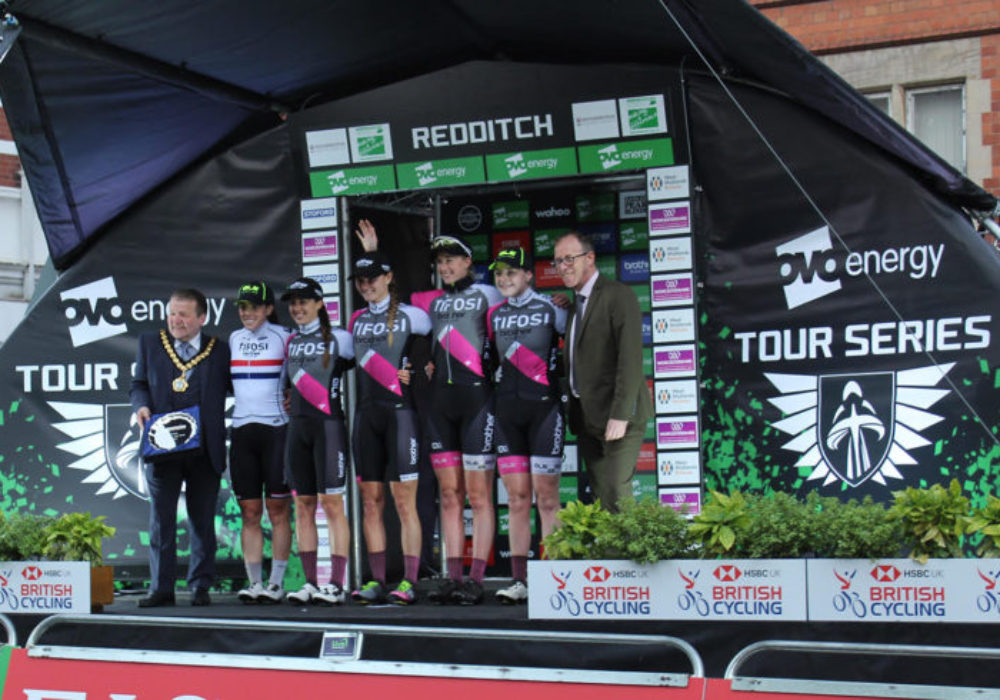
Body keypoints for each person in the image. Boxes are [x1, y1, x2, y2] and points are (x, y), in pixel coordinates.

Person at [407, 234, 503, 605]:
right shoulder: (430, 302)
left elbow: (526, 305)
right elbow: (389, 301)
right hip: (441, 404)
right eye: (440, 262)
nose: (445, 267)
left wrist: (559, 300)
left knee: (478, 496)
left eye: (452, 260)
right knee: (449, 495)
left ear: (468, 263)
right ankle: (452, 577)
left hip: (477, 399)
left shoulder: (489, 294)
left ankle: (476, 580)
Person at [130, 288, 231, 607]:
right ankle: (161, 588)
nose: (176, 320)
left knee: (203, 520)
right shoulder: (150, 343)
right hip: (163, 448)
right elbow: (138, 384)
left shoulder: (220, 350)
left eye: (184, 314)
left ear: (202, 318)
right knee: (161, 521)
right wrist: (141, 406)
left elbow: (243, 383)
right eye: (172, 313)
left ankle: (200, 585)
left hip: (205, 449)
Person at [348, 248, 432, 605]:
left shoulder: (415, 316)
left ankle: (411, 580)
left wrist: (417, 368)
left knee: (403, 501)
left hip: (401, 414)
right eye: (361, 281)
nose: (366, 286)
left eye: (372, 279)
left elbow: (434, 353)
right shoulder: (355, 320)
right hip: (367, 415)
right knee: (371, 501)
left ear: (388, 278)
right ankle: (376, 580)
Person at [487, 247, 567, 604]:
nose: (504, 279)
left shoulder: (554, 309)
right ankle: (519, 581)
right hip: (507, 413)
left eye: (512, 272)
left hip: (545, 411)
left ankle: (553, 576)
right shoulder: (492, 315)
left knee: (548, 499)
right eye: (499, 273)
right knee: (517, 499)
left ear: (529, 276)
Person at [553, 231, 651, 513]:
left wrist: (620, 415)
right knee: (601, 496)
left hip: (619, 416)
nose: (563, 266)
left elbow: (630, 359)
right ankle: (610, 556)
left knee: (617, 492)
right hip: (586, 418)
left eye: (570, 259)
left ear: (590, 258)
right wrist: (569, 307)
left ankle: (630, 556)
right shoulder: (576, 305)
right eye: (558, 261)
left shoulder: (618, 295)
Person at [281, 277, 354, 605]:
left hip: (329, 428)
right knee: (303, 506)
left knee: (333, 505)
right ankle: (311, 582)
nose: (297, 308)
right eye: (293, 303)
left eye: (304, 301)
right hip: (298, 429)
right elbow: (288, 387)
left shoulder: (341, 338)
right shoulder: (291, 341)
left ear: (320, 303)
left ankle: (336, 585)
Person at [228, 281, 292, 604]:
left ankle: (276, 583)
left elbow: (303, 377)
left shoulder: (285, 337)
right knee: (249, 511)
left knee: (278, 509)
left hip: (276, 430)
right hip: (242, 431)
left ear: (268, 309)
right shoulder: (233, 339)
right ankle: (254, 583)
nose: (246, 312)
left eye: (253, 306)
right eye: (242, 306)